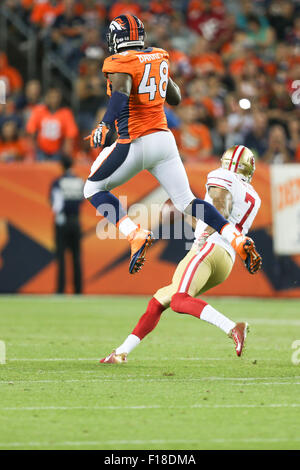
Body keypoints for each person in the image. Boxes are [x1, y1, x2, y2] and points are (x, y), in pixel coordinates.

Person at [83, 14, 260, 276]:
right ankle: (235, 237)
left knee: (92, 188)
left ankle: (135, 235)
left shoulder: (120, 61)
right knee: (188, 201)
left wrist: (104, 124)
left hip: (135, 140)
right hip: (165, 141)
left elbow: (120, 92)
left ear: (118, 38)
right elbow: (175, 97)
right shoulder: (158, 56)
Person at [100, 145, 262, 364]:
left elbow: (220, 211)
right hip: (225, 259)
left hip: (209, 248)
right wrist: (184, 214)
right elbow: (213, 218)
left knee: (179, 300)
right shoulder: (253, 195)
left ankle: (232, 327)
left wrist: (204, 236)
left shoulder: (221, 176)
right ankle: (120, 353)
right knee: (159, 301)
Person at [50, 155, 84, 294]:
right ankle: (78, 290)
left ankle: (60, 289)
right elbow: (82, 198)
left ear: (61, 166)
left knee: (61, 257)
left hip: (62, 221)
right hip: (76, 221)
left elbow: (56, 204)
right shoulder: (80, 181)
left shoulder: (58, 182)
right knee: (76, 257)